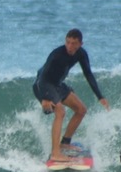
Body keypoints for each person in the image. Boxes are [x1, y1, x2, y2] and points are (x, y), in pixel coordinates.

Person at [33, 28, 110, 163]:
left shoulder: (81, 54)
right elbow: (41, 78)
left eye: (74, 43)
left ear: (81, 44)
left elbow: (88, 74)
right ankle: (55, 152)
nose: (70, 46)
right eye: (68, 42)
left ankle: (65, 142)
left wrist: (100, 96)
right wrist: (43, 99)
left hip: (57, 84)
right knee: (60, 112)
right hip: (44, 84)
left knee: (81, 110)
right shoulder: (56, 54)